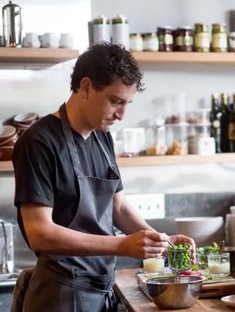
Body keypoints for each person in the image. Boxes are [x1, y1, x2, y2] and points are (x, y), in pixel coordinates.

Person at [13, 42, 196, 312]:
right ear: (86, 87)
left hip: (101, 290)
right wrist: (122, 244)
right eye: (115, 101)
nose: (122, 115)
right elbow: (40, 233)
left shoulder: (103, 138)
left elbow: (118, 206)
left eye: (127, 104)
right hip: (60, 296)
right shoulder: (39, 142)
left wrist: (160, 241)